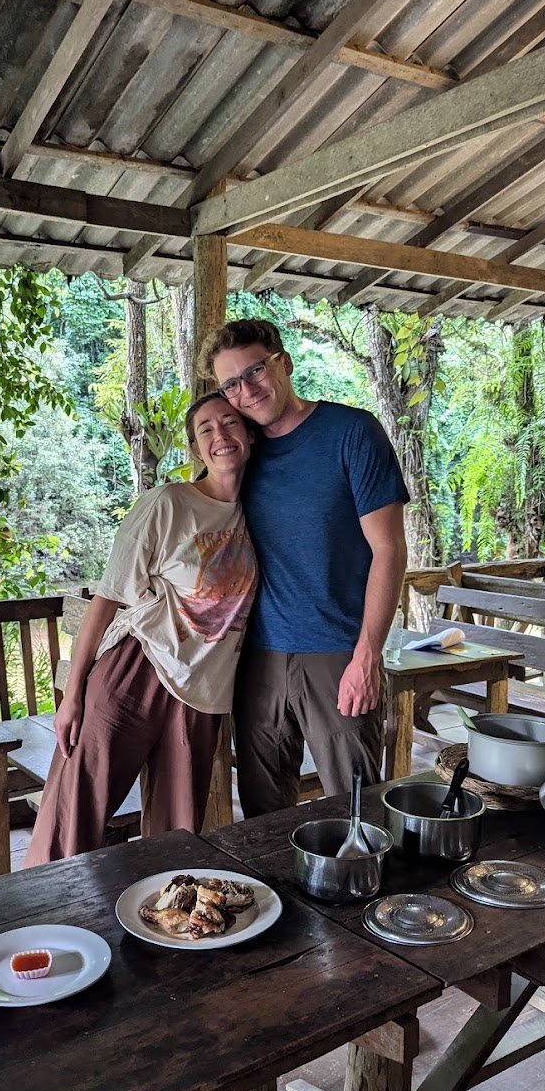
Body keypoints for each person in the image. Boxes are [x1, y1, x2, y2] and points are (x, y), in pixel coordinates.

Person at [24, 393, 257, 864]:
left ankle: (165, 926)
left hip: (202, 691)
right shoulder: (169, 503)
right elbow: (106, 601)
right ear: (195, 448)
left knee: (179, 831)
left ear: (250, 433)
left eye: (229, 423)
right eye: (206, 430)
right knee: (75, 810)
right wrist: (72, 697)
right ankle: (39, 920)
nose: (220, 436)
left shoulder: (262, 512)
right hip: (136, 668)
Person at [200, 318, 408, 817]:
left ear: (284, 363)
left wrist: (366, 658)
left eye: (255, 372)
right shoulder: (238, 453)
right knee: (263, 812)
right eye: (231, 384)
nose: (246, 391)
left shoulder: (351, 432)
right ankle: (278, 897)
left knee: (355, 808)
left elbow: (391, 550)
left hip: (337, 652)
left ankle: (364, 894)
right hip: (257, 658)